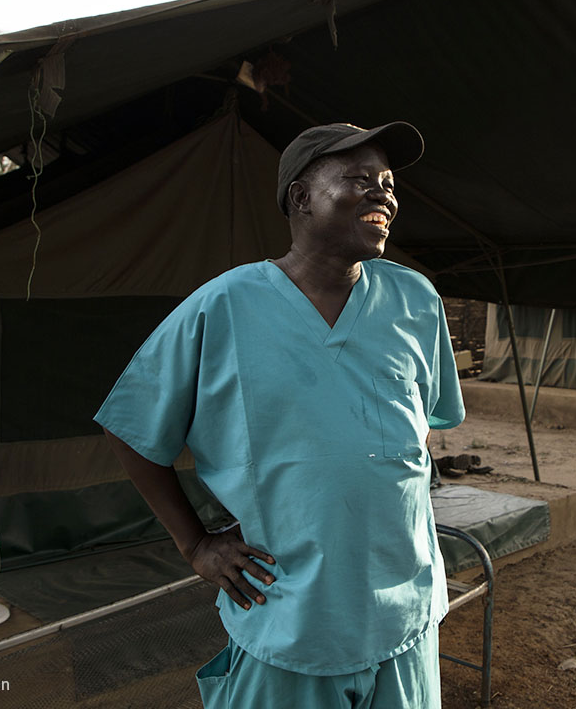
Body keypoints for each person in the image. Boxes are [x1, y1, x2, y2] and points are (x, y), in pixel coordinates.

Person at [94, 121, 465, 709]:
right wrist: (195, 545)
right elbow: (130, 427)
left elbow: (423, 418)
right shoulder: (224, 306)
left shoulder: (416, 300)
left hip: (405, 612)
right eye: (359, 179)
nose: (384, 195)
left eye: (389, 184)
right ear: (299, 197)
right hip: (292, 616)